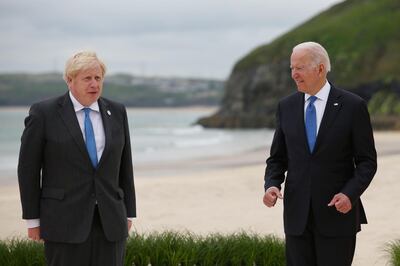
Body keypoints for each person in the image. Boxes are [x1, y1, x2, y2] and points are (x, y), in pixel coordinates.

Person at [263, 42, 377, 266]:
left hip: (336, 214)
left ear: (320, 69)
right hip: (297, 218)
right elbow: (277, 158)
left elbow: (367, 162)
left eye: (300, 68)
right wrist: (272, 184)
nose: (294, 74)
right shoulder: (286, 106)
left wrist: (349, 194)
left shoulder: (353, 106)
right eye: (292, 68)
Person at [18, 51, 136, 266]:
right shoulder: (44, 113)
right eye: (87, 78)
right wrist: (32, 220)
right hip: (63, 222)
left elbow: (124, 165)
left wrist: (129, 212)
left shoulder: (117, 111)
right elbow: (28, 169)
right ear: (69, 80)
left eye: (98, 78)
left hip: (110, 221)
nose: (94, 84)